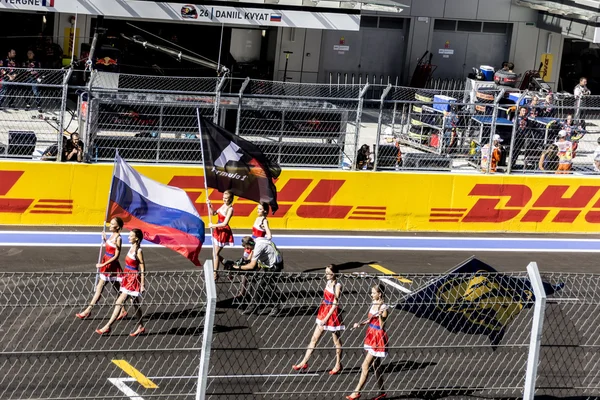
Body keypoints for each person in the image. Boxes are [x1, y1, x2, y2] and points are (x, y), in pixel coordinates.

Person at [292, 264, 344, 375]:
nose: (326, 274)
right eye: (326, 272)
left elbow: (335, 304)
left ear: (334, 273)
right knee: (314, 339)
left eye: (329, 272)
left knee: (336, 341)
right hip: (324, 311)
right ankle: (304, 362)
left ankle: (338, 364)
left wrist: (326, 318)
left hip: (332, 314)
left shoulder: (337, 285)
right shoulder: (328, 282)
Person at [96, 228, 146, 337]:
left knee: (119, 301)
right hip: (127, 277)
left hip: (132, 279)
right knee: (135, 303)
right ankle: (141, 326)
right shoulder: (131, 248)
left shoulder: (138, 251)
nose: (128, 237)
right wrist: (106, 240)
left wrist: (142, 284)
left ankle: (108, 326)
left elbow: (142, 267)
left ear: (136, 238)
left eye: (131, 236)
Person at [76, 217, 127, 320]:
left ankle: (87, 311)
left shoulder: (118, 238)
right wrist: (105, 239)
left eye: (112, 224)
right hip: (107, 264)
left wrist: (103, 265)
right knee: (117, 289)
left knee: (100, 288)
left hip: (111, 266)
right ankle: (123, 310)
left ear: (117, 227)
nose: (110, 225)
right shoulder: (112, 236)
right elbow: (109, 248)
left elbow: (116, 256)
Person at [346, 284, 388, 400]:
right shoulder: (374, 303)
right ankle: (382, 392)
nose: (371, 295)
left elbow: (382, 325)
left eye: (374, 293)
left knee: (365, 365)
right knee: (376, 366)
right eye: (371, 292)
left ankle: (356, 392)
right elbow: (370, 319)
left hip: (377, 337)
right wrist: (360, 323)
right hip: (370, 334)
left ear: (379, 294)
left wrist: (380, 314)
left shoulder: (384, 307)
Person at [232, 236, 284, 317]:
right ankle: (254, 306)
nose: (248, 249)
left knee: (261, 285)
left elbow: (252, 266)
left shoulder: (258, 247)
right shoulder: (257, 241)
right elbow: (259, 261)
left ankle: (276, 306)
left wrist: (237, 267)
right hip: (269, 264)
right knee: (253, 280)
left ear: (250, 244)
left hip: (274, 266)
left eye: (248, 247)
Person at [207, 190, 234, 279]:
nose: (224, 199)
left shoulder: (230, 209)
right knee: (215, 253)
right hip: (217, 231)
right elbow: (214, 213)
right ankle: (227, 264)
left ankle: (215, 274)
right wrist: (210, 206)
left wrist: (212, 225)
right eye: (223, 198)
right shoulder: (223, 205)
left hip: (223, 232)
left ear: (230, 199)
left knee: (215, 253)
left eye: (226, 198)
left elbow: (225, 223)